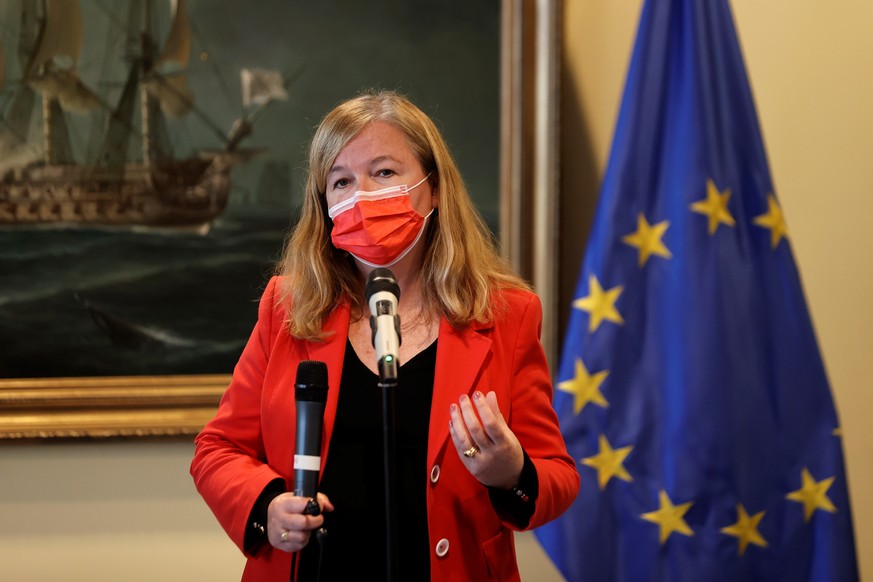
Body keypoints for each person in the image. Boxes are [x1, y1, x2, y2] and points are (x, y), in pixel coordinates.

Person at [190, 89, 580, 581]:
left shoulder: (508, 314)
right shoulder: (287, 306)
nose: (362, 196)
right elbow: (218, 449)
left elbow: (558, 477)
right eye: (341, 181)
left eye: (384, 172)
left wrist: (513, 474)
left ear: (433, 188)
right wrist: (266, 506)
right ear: (323, 203)